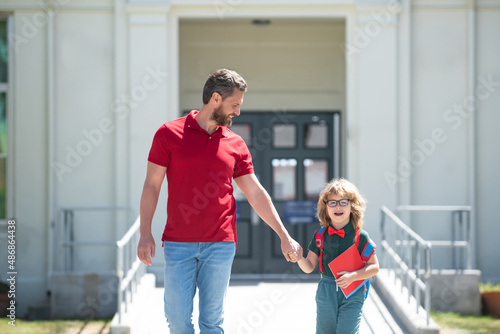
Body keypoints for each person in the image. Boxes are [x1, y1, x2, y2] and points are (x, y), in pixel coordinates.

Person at [136, 68, 302, 334]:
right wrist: (145, 232)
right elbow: (152, 185)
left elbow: (256, 193)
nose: (237, 112)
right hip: (178, 244)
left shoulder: (235, 144)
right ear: (215, 98)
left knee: (212, 323)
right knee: (177, 321)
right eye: (234, 105)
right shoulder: (168, 134)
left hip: (220, 245)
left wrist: (284, 235)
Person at [289, 178, 379, 334]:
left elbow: (374, 267)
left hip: (353, 290)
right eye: (332, 203)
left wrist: (353, 276)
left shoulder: (360, 237)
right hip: (326, 290)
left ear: (352, 206)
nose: (338, 206)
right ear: (325, 208)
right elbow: (309, 266)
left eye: (343, 202)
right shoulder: (320, 235)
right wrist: (299, 258)